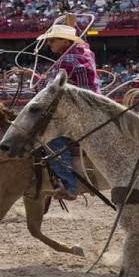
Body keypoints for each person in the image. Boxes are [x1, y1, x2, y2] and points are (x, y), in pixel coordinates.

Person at [38, 21, 99, 201]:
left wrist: (33, 79)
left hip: (79, 109)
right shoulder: (86, 52)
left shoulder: (66, 60)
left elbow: (50, 89)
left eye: (53, 41)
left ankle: (68, 185)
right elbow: (83, 39)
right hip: (92, 105)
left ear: (65, 41)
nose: (50, 45)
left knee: (50, 139)